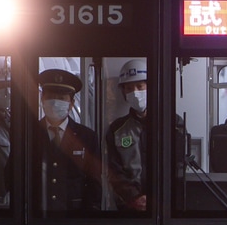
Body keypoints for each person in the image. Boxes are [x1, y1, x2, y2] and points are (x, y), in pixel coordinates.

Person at [33, 68, 101, 213]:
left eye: (62, 98)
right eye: (51, 97)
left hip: (74, 221)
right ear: (42, 99)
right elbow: (11, 175)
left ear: (71, 103)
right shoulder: (29, 135)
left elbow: (94, 183)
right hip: (37, 220)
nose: (55, 103)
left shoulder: (87, 137)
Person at [105, 59, 150, 212]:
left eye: (140, 86)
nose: (135, 93)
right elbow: (113, 170)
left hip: (163, 207)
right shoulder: (117, 129)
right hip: (129, 208)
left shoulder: (172, 124)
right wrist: (134, 198)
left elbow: (177, 167)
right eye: (129, 88)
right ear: (124, 93)